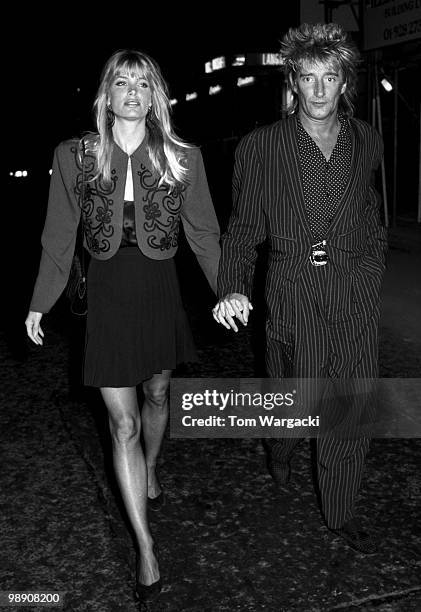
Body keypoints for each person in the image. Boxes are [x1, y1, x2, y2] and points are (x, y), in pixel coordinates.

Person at [26, 49, 220, 603]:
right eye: (121, 81)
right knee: (123, 425)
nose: (132, 90)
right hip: (108, 292)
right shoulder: (76, 155)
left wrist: (228, 287)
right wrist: (41, 300)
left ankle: (152, 467)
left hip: (159, 287)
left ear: (154, 94)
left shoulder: (182, 156)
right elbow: (58, 233)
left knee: (158, 392)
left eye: (143, 81)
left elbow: (205, 233)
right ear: (106, 95)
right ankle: (146, 548)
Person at [213, 23, 387, 554]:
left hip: (351, 290)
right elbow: (243, 227)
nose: (317, 91)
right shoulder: (261, 146)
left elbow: (371, 218)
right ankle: (281, 447)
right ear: (293, 82)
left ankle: (340, 512)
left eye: (328, 78)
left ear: (344, 84)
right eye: (307, 78)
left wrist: (369, 273)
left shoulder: (367, 141)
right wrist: (232, 287)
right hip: (291, 288)